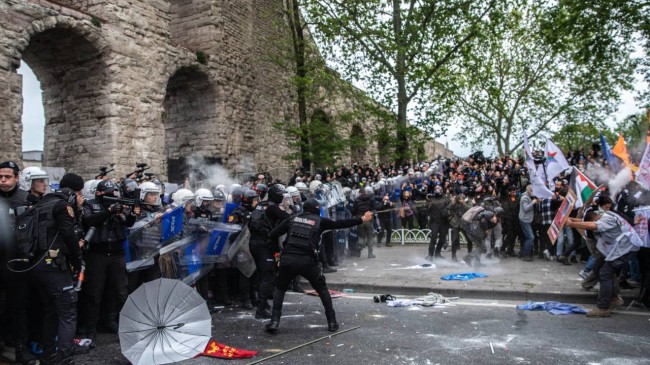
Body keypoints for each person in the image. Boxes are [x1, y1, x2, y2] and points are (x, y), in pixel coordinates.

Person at [265, 199, 373, 333]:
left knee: (280, 289)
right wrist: (362, 219)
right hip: (308, 261)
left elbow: (273, 234)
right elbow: (340, 224)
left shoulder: (292, 219)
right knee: (322, 290)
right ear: (316, 209)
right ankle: (332, 322)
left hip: (288, 260)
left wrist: (277, 253)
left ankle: (274, 322)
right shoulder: (320, 221)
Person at [29, 173, 84, 365]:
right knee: (68, 312)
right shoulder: (63, 205)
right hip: (54, 266)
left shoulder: (42, 202)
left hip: (36, 266)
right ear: (75, 192)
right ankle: (63, 359)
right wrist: (78, 261)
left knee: (51, 311)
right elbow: (68, 233)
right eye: (80, 194)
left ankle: (48, 356)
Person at [82, 179, 138, 346]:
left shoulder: (118, 204)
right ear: (99, 193)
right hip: (97, 254)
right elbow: (89, 221)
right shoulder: (90, 204)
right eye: (108, 193)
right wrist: (109, 211)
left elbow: (128, 222)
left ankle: (122, 327)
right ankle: (91, 330)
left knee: (120, 293)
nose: (112, 195)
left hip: (116, 253)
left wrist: (131, 213)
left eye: (114, 192)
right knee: (94, 294)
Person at [566, 196, 642, 317]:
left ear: (597, 216)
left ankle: (603, 307)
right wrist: (572, 220)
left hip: (623, 250)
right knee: (597, 268)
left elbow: (593, 225)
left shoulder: (606, 219)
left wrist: (573, 224)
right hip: (617, 249)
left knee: (605, 273)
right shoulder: (604, 216)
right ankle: (613, 298)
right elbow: (590, 222)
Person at [0, 161, 35, 365]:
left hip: (18, 261)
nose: (3, 180)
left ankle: (21, 349)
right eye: (0, 176)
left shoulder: (26, 199)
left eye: (7, 177)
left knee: (19, 307)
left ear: (16, 178)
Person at [519, 185, 538, 261]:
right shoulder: (524, 198)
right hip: (525, 219)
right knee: (531, 237)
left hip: (527, 219)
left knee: (528, 237)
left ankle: (523, 253)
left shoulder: (529, 197)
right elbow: (526, 208)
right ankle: (525, 255)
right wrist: (533, 202)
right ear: (529, 190)